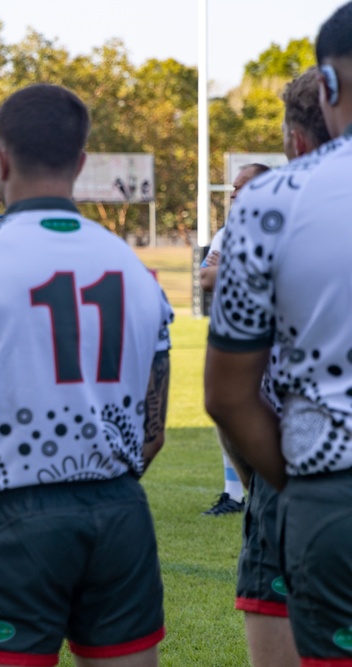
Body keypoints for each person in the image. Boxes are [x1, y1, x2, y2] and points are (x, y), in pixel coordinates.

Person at [0, 84, 173, 667]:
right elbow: (152, 431)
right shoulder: (137, 271)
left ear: (1, 161)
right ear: (80, 163)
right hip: (118, 511)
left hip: (5, 512)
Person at [205, 5, 352, 666]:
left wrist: (304, 487)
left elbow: (229, 395)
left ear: (328, 84)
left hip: (326, 481)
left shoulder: (268, 205)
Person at [198, 162, 271, 517]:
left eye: (243, 186)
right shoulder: (227, 233)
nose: (234, 193)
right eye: (233, 188)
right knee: (229, 415)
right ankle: (242, 493)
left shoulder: (279, 230)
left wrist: (224, 267)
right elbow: (205, 280)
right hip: (234, 340)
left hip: (274, 346)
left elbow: (216, 273)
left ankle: (260, 493)